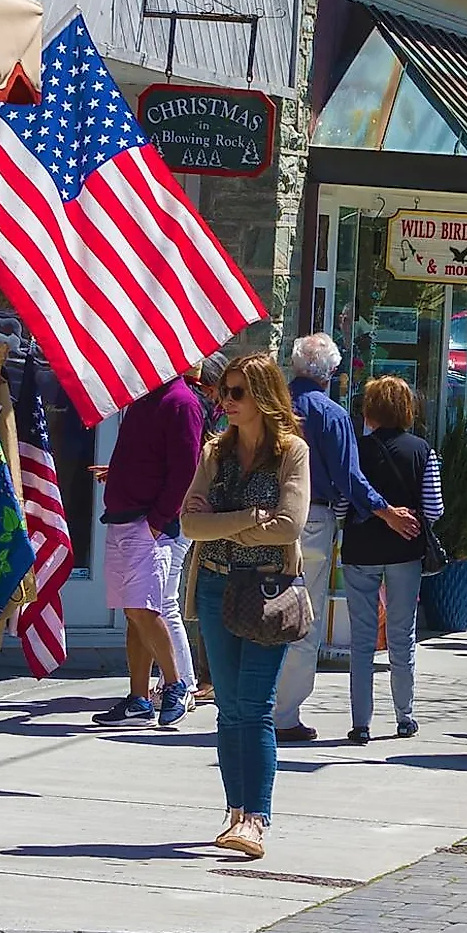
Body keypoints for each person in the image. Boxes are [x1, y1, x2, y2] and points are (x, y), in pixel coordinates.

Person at [180, 352, 310, 860]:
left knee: (255, 707)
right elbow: (190, 524)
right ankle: (234, 812)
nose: (226, 401)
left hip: (267, 589)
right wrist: (248, 517)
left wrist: (224, 519)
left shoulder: (291, 453)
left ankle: (256, 817)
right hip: (214, 584)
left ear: (264, 396)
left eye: (237, 393)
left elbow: (290, 525)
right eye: (223, 392)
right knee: (227, 708)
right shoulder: (216, 452)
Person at [275, 333, 414, 743]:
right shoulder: (329, 414)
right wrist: (385, 511)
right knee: (302, 618)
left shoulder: (272, 407)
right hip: (310, 519)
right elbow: (349, 478)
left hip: (260, 518)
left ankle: (255, 704)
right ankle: (283, 715)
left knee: (261, 608)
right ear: (331, 373)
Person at [93, 372, 201, 729]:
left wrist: (157, 521)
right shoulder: (143, 400)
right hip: (126, 518)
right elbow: (146, 457)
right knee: (133, 611)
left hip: (148, 524)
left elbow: (184, 471)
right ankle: (138, 699)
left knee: (145, 607)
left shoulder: (181, 403)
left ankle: (176, 684)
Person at [344, 376, 442, 743]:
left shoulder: (355, 450)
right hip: (405, 550)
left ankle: (361, 722)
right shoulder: (422, 450)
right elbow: (435, 508)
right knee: (403, 635)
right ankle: (405, 716)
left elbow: (343, 503)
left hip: (361, 549)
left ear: (370, 410)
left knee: (362, 639)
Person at [180, 352, 229, 709]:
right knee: (193, 601)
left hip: (209, 520)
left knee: (198, 600)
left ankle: (207, 676)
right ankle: (204, 675)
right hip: (199, 516)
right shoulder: (209, 415)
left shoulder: (214, 422)